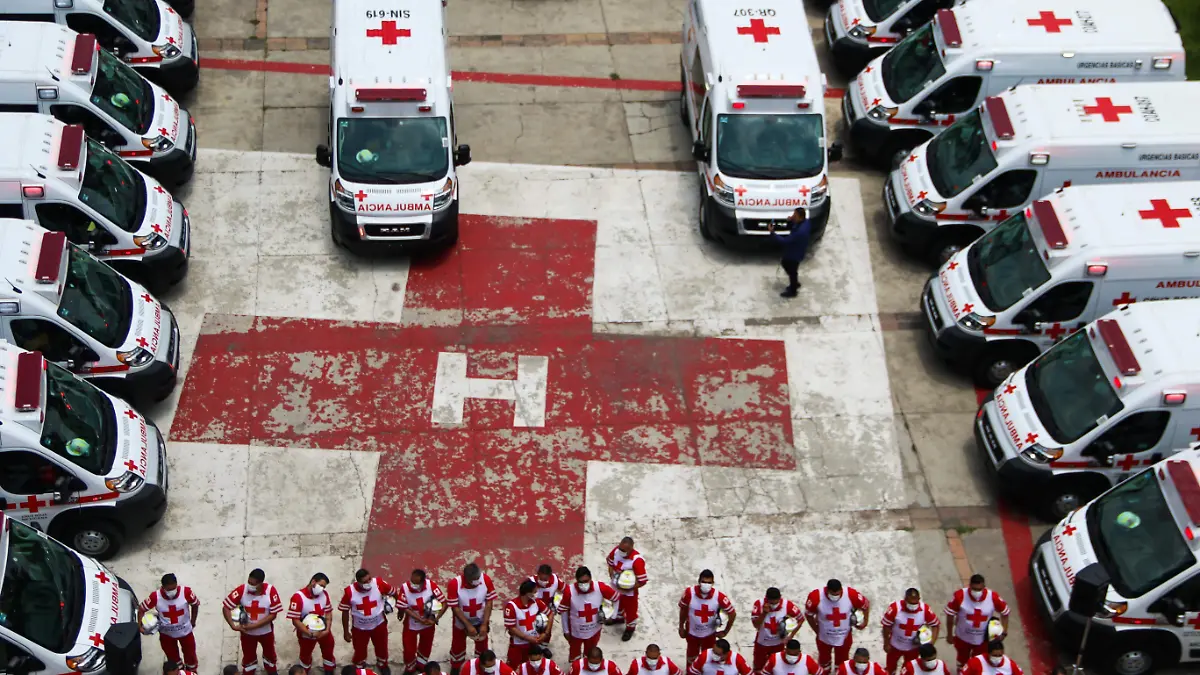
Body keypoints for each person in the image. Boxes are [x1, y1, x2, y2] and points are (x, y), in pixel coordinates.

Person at [222, 568, 284, 675]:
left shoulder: (270, 591)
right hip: (247, 634)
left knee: (270, 655)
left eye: (253, 583)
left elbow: (273, 614)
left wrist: (254, 626)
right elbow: (226, 607)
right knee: (248, 657)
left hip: (266, 632)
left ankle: (271, 671)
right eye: (249, 582)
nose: (250, 585)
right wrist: (233, 626)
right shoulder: (242, 590)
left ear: (260, 583)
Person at [945, 576, 1010, 673]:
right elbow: (950, 615)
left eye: (979, 589)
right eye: (974, 589)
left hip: (982, 640)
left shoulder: (993, 597)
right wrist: (949, 634)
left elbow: (1005, 612)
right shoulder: (960, 596)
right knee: (962, 660)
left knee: (978, 663)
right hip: (963, 637)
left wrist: (1004, 631)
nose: (977, 592)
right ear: (969, 586)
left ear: (984, 587)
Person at [340, 568, 398, 675]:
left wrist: (397, 607)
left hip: (379, 624)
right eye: (364, 582)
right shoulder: (349, 592)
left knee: (382, 647)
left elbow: (394, 593)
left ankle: (382, 665)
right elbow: (344, 612)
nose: (368, 583)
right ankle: (359, 667)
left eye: (369, 579)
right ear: (358, 582)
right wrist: (346, 632)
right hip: (359, 628)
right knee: (359, 651)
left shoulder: (379, 583)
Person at [805, 579, 870, 674]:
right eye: (833, 594)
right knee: (824, 661)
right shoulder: (816, 597)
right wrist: (816, 630)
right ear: (827, 590)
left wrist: (865, 621)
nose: (835, 596)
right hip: (824, 638)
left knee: (842, 663)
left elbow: (865, 605)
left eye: (838, 594)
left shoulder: (851, 594)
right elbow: (809, 615)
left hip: (844, 637)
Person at [139, 574, 201, 671]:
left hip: (185, 632)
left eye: (174, 588)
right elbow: (142, 609)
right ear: (163, 587)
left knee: (191, 656)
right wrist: (140, 626)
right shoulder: (155, 596)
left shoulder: (186, 592)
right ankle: (179, 671)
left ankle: (192, 672)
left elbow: (195, 605)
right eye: (169, 589)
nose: (172, 592)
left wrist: (193, 621)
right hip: (166, 635)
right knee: (173, 659)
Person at [557, 566, 618, 662]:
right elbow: (564, 611)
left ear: (590, 579)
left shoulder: (600, 588)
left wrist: (613, 616)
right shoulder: (570, 591)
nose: (584, 584)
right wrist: (566, 630)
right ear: (576, 580)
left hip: (594, 631)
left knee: (589, 654)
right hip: (575, 632)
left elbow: (616, 598)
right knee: (574, 654)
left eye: (586, 581)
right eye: (581, 582)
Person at [448, 563, 499, 674]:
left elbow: (489, 603)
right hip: (461, 620)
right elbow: (455, 608)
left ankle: (481, 666)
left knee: (482, 645)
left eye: (477, 578)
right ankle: (456, 667)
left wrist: (484, 624)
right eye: (473, 579)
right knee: (457, 645)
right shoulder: (454, 584)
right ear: (466, 577)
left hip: (480, 619)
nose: (477, 581)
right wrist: (468, 625)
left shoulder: (485, 580)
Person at [678, 570, 737, 664]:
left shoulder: (719, 597)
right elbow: (683, 610)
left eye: (709, 582)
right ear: (699, 581)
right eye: (704, 582)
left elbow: (732, 613)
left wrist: (726, 631)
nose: (706, 585)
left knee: (710, 661)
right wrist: (681, 626)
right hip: (692, 634)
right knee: (691, 660)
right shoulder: (689, 593)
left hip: (709, 635)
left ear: (713, 583)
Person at [400, 569, 448, 675]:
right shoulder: (405, 587)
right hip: (411, 624)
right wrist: (419, 619)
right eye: (411, 581)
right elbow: (405, 607)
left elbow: (444, 603)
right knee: (408, 649)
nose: (412, 585)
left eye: (415, 583)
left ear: (423, 582)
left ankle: (422, 665)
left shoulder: (431, 586)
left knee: (426, 647)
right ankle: (410, 668)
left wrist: (435, 619)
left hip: (428, 624)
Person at [881, 589, 939, 675]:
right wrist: (886, 642)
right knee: (890, 667)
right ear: (905, 599)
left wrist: (931, 642)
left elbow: (935, 624)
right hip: (894, 645)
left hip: (913, 648)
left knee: (908, 669)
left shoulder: (925, 610)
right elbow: (886, 626)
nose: (913, 605)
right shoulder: (895, 608)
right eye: (910, 603)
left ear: (919, 599)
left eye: (915, 603)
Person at [288, 573, 335, 675]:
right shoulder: (298, 597)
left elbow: (328, 613)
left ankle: (329, 671)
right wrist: (311, 634)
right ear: (313, 582)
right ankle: (304, 672)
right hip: (306, 634)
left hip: (323, 631)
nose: (322, 589)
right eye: (321, 585)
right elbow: (295, 620)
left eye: (324, 587)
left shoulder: (324, 595)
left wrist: (327, 630)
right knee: (305, 656)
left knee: (329, 652)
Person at [750, 588, 803, 674]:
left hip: (779, 644)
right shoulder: (759, 604)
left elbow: (800, 619)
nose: (774, 604)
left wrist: (791, 636)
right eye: (771, 602)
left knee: (777, 667)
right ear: (766, 599)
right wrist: (764, 613)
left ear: (780, 598)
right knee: (758, 668)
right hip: (762, 643)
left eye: (776, 602)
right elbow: (756, 625)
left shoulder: (787, 605)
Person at [606, 536, 648, 641]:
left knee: (631, 611)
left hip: (630, 592)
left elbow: (642, 581)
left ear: (631, 549)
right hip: (615, 587)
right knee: (617, 604)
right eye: (620, 548)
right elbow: (610, 564)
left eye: (624, 550)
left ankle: (630, 628)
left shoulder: (637, 560)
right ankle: (618, 618)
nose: (621, 551)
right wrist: (612, 577)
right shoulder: (616, 551)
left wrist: (628, 588)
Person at [505, 580, 551, 667]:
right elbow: (511, 628)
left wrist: (545, 633)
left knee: (531, 668)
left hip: (533, 644)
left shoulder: (536, 602)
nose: (536, 594)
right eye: (534, 592)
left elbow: (550, 614)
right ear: (527, 593)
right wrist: (527, 638)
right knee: (512, 668)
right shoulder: (511, 606)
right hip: (517, 645)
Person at [768, 209, 812, 298]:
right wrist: (791, 221)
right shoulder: (806, 223)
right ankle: (795, 283)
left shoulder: (799, 232)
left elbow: (785, 241)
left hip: (794, 254)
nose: (793, 217)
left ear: (800, 217)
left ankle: (793, 290)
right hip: (799, 250)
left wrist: (772, 233)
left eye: (795, 216)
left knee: (790, 269)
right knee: (792, 269)